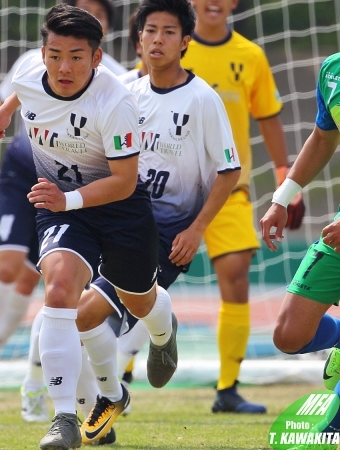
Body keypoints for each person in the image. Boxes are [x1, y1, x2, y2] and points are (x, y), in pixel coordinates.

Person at [0, 5, 173, 449]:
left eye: (75, 56)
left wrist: (67, 198)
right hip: (61, 207)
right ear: (42, 52)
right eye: (54, 55)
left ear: (97, 57)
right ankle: (65, 417)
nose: (63, 67)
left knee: (140, 300)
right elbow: (23, 87)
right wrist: (3, 112)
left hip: (120, 208)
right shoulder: (32, 73)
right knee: (59, 290)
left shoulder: (115, 101)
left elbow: (125, 182)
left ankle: (164, 334)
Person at [0, 0, 127, 401]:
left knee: (33, 278)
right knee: (7, 266)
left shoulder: (113, 78)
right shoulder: (33, 61)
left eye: (95, 12)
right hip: (21, 170)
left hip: (68, 182)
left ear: (103, 33)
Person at [75, 0, 241, 444]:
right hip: (115, 220)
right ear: (138, 38)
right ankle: (115, 392)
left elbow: (230, 170)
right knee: (76, 320)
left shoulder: (203, 98)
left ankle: (128, 372)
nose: (158, 39)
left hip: (167, 234)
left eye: (169, 32)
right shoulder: (122, 89)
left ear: (185, 42)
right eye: (151, 31)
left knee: (88, 312)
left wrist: (197, 229)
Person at [169, 0, 305, 414]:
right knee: (145, 281)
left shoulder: (251, 55)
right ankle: (122, 375)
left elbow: (268, 118)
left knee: (236, 275)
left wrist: (286, 177)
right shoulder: (173, 45)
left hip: (231, 189)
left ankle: (227, 387)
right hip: (172, 190)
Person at [260, 52, 340, 450]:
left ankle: (334, 427)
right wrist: (283, 198)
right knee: (289, 336)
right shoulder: (333, 70)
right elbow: (324, 137)